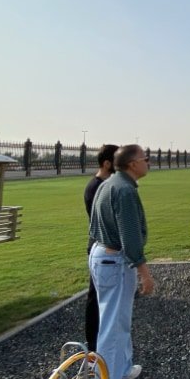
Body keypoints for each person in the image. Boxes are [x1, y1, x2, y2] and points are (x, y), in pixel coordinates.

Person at [88, 144, 154, 379]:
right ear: (132, 164)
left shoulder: (109, 183)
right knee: (112, 329)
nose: (148, 162)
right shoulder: (124, 190)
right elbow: (130, 236)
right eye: (145, 158)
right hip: (114, 260)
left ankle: (122, 370)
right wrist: (144, 272)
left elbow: (94, 226)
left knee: (119, 321)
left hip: (104, 255)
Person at [82, 144, 119, 355]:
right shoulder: (97, 187)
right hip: (102, 248)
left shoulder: (104, 185)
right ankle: (94, 349)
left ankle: (101, 348)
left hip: (105, 247)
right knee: (96, 300)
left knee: (101, 298)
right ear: (107, 164)